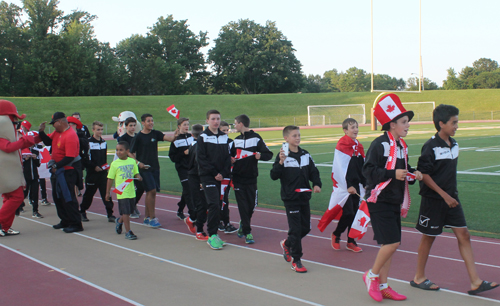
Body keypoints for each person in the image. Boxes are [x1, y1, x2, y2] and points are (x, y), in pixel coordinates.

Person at [411, 104, 498, 295]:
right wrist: (444, 195)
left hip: (452, 199)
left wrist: (450, 195)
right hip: (434, 200)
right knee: (429, 237)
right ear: (441, 124)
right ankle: (419, 277)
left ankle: (476, 282)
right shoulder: (430, 146)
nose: (457, 126)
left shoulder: (455, 144)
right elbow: (423, 174)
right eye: (454, 122)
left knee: (464, 235)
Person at [361, 93, 422, 302]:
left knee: (389, 245)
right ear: (392, 124)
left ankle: (384, 285)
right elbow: (368, 171)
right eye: (404, 122)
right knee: (392, 243)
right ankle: (371, 276)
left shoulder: (402, 147)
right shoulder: (380, 144)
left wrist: (413, 175)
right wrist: (392, 174)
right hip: (379, 200)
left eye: (408, 122)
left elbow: (402, 170)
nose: (408, 125)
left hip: (394, 199)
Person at [270, 125, 321, 273]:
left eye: (299, 135)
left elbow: (313, 171)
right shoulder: (282, 156)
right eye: (294, 136)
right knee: (296, 229)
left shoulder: (305, 154)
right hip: (290, 198)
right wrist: (280, 162)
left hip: (304, 196)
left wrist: (317, 183)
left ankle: (287, 243)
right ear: (286, 138)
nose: (298, 138)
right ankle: (296, 260)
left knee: (306, 228)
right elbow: (273, 176)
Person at [318, 118, 365, 252]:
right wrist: (348, 185)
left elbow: (361, 166)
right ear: (345, 130)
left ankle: (351, 241)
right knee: (349, 212)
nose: (355, 129)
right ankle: (337, 234)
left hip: (357, 185)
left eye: (356, 127)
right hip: (345, 187)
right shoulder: (342, 144)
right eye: (352, 127)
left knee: (356, 214)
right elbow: (340, 168)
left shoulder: (358, 145)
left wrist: (365, 182)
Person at [0, 100, 40, 236]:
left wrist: (40, 137)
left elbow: (17, 144)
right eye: (14, 121)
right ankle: (1, 223)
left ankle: (5, 226)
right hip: (7, 174)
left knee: (9, 198)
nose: (16, 124)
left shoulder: (10, 134)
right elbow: (8, 147)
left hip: (11, 173)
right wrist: (25, 141)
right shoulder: (1, 136)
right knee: (17, 197)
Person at [38, 112, 83, 233]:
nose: (53, 126)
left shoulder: (70, 135)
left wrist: (56, 166)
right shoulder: (58, 132)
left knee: (68, 197)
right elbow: (48, 142)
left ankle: (76, 223)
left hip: (67, 171)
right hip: (58, 170)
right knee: (58, 197)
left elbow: (70, 157)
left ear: (60, 122)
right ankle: (65, 220)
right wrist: (41, 132)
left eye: (54, 123)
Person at [232, 115, 273, 243]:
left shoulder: (256, 138)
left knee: (251, 205)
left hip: (251, 178)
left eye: (235, 123)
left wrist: (260, 156)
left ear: (241, 124)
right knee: (243, 206)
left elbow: (269, 154)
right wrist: (231, 160)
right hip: (237, 177)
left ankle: (243, 224)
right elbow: (229, 156)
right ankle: (247, 232)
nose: (234, 126)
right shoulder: (235, 140)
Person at [129, 113, 175, 229]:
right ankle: (152, 218)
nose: (151, 123)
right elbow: (130, 152)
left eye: (152, 120)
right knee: (152, 190)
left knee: (150, 193)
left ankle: (146, 218)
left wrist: (177, 132)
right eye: (148, 121)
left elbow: (170, 139)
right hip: (144, 169)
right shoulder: (138, 137)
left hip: (155, 167)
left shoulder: (156, 134)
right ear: (143, 123)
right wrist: (138, 163)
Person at [196, 110, 231, 250]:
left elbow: (227, 158)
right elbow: (201, 159)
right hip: (207, 176)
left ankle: (214, 234)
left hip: (220, 176)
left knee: (218, 203)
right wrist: (214, 172)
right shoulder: (203, 137)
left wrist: (223, 172)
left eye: (218, 119)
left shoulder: (224, 137)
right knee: (214, 204)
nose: (216, 121)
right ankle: (212, 235)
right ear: (207, 121)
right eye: (213, 119)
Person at [105, 141, 142, 240]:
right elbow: (110, 178)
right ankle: (128, 232)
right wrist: (107, 192)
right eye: (117, 150)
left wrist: (138, 176)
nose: (118, 152)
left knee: (129, 212)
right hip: (121, 191)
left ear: (127, 151)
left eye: (121, 150)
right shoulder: (114, 164)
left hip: (131, 191)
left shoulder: (132, 161)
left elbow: (136, 173)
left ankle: (120, 221)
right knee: (125, 212)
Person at [80, 121, 115, 222]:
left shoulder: (104, 142)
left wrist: (105, 167)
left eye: (101, 130)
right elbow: (85, 158)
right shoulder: (88, 142)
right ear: (93, 130)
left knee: (106, 194)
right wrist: (93, 167)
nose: (100, 132)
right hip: (92, 174)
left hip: (103, 174)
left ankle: (110, 214)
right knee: (89, 194)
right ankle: (82, 211)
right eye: (98, 130)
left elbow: (103, 158)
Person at [168, 117, 195, 226]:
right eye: (184, 124)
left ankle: (180, 209)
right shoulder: (176, 140)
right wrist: (183, 153)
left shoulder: (191, 137)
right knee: (188, 190)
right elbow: (172, 157)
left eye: (187, 124)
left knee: (188, 188)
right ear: (179, 126)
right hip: (182, 169)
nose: (186, 126)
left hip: (193, 167)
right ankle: (192, 213)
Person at [187, 124, 209, 240]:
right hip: (197, 177)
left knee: (203, 204)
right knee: (202, 204)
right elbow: (198, 164)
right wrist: (202, 179)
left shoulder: (193, 145)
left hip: (194, 176)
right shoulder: (198, 147)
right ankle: (199, 231)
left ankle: (191, 219)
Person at [117, 117, 142, 219]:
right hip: (127, 165)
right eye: (130, 125)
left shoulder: (137, 136)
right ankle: (130, 209)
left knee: (140, 187)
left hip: (137, 164)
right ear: (126, 126)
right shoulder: (123, 138)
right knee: (128, 187)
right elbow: (124, 152)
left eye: (134, 125)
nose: (132, 127)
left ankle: (133, 205)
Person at [217, 121, 238, 234]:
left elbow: (234, 155)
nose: (225, 132)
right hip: (217, 175)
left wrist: (233, 160)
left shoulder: (230, 142)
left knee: (224, 199)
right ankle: (219, 221)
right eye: (223, 130)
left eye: (227, 130)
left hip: (227, 175)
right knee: (219, 199)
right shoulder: (215, 142)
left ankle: (225, 222)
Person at [20, 121, 43, 218]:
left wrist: (35, 158)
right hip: (26, 175)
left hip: (35, 175)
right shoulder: (22, 150)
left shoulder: (36, 150)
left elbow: (38, 164)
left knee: (35, 194)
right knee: (24, 193)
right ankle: (20, 205)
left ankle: (35, 211)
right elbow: (20, 163)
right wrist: (25, 159)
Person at [67, 116, 89, 200]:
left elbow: (85, 145)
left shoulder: (81, 134)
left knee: (75, 183)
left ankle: (75, 202)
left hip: (77, 162)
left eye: (72, 124)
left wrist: (75, 136)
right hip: (65, 162)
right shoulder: (62, 134)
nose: (70, 126)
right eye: (68, 124)